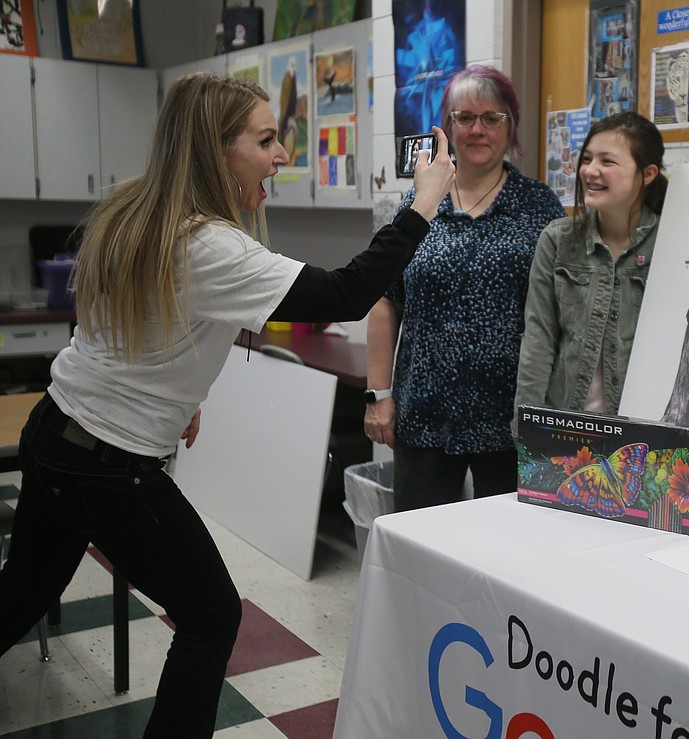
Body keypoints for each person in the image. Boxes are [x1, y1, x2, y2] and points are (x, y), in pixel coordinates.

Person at [0, 73, 454, 739]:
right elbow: (346, 293)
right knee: (213, 613)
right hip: (109, 464)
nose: (281, 156)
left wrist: (173, 395)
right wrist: (421, 205)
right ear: (216, 151)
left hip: (56, 432)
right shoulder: (212, 244)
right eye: (267, 139)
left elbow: (111, 328)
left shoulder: (134, 211)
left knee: (21, 595)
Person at [364, 65, 564, 511]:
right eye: (465, 117)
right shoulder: (418, 204)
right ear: (447, 127)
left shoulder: (539, 208)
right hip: (424, 414)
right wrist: (379, 396)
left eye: (491, 118)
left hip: (511, 421)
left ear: (509, 126)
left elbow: (562, 313)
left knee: (507, 551)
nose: (478, 129)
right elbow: (385, 299)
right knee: (421, 544)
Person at [514, 112, 668, 421]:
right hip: (568, 426)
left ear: (647, 173)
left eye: (607, 162)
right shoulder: (558, 240)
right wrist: (527, 426)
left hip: (645, 431)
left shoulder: (671, 243)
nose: (590, 171)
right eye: (586, 159)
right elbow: (539, 341)